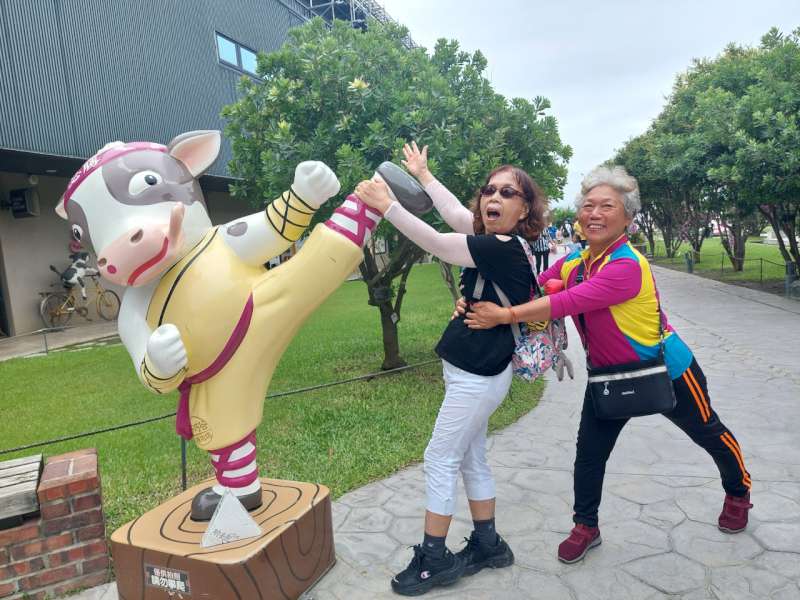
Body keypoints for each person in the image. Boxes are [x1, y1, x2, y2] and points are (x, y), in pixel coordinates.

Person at [463, 165, 753, 564]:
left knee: (708, 432)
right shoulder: (576, 262)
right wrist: (475, 300)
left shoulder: (627, 265)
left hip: (667, 370)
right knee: (589, 453)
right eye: (588, 206)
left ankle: (738, 492)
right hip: (607, 376)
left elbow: (564, 302)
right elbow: (530, 288)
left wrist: (505, 315)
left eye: (606, 206)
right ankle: (586, 526)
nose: (594, 214)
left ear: (628, 218)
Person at [355, 141, 548, 596]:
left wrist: (387, 206)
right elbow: (457, 217)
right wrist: (423, 175)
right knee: (470, 457)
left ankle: (434, 559)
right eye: (489, 190)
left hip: (479, 374)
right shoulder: (495, 239)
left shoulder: (503, 245)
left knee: (440, 457)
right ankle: (488, 544)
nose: (494, 198)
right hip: (473, 368)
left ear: (524, 209)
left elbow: (440, 243)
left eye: (507, 193)